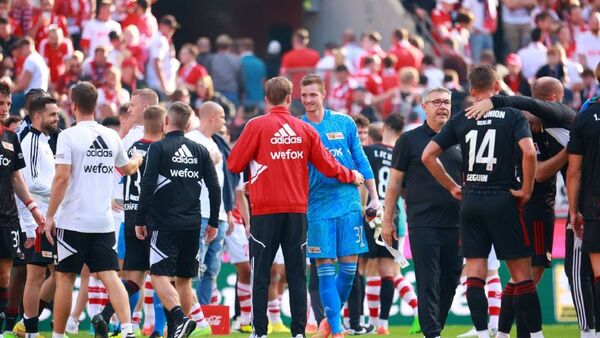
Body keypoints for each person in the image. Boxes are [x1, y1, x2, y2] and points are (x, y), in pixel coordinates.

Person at [227, 77, 363, 338]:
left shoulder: (256, 125)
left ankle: (260, 333)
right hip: (297, 213)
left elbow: (233, 164)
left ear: (267, 99)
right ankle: (298, 333)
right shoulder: (305, 129)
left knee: (261, 275)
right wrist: (350, 175)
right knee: (297, 275)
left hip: (265, 212)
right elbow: (328, 165)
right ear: (291, 99)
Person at [421, 65, 543, 338]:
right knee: (521, 274)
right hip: (502, 196)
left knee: (475, 272)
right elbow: (529, 154)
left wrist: (453, 187)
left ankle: (481, 332)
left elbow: (428, 155)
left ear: (472, 90)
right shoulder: (513, 115)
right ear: (497, 88)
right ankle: (536, 336)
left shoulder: (462, 118)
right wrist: (526, 189)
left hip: (471, 198)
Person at [465, 77, 578, 336]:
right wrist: (571, 150)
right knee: (529, 276)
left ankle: (506, 332)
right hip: (535, 207)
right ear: (553, 100)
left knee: (521, 277)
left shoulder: (528, 124)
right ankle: (517, 333)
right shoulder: (537, 123)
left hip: (522, 205)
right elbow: (539, 174)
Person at [43, 81, 143, 338]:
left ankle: (58, 334)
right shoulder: (110, 136)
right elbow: (127, 168)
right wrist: (138, 160)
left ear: (73, 105)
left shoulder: (68, 136)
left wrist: (50, 215)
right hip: (102, 221)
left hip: (72, 221)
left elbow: (61, 178)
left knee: (65, 278)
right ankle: (128, 330)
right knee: (110, 275)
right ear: (95, 105)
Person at [298, 74, 379, 338]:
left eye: (313, 94)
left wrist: (374, 196)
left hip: (348, 203)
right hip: (316, 206)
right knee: (324, 270)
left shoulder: (344, 123)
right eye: (304, 95)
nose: (308, 99)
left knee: (348, 272)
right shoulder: (298, 127)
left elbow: (361, 159)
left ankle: (328, 322)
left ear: (323, 94)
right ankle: (335, 329)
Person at [135, 102, 221, 338]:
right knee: (184, 281)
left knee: (158, 275)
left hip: (164, 224)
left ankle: (179, 319)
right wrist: (213, 220)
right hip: (193, 225)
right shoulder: (200, 150)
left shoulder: (159, 148)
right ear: (187, 124)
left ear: (166, 122)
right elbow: (215, 188)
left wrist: (139, 218)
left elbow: (148, 185)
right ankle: (178, 332)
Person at [381, 87, 461, 338]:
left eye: (446, 102)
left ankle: (436, 327)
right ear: (424, 107)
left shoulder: (462, 138)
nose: (442, 106)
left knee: (451, 281)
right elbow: (394, 185)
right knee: (428, 280)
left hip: (458, 223)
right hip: (423, 223)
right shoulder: (409, 140)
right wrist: (387, 221)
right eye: (436, 102)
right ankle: (432, 333)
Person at [95, 105, 166, 338]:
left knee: (134, 279)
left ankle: (104, 316)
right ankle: (158, 331)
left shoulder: (132, 147)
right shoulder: (163, 149)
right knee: (164, 277)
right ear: (164, 123)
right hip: (155, 218)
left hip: (130, 218)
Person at [362, 113, 421, 335]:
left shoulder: (368, 151)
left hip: (370, 214)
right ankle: (382, 325)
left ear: (385, 126)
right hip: (393, 217)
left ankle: (360, 320)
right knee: (388, 271)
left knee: (366, 269)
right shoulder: (400, 155)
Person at [0, 81, 45, 337]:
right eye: (0, 104)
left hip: (7, 217)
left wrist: (33, 208)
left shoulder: (10, 137)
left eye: (7, 103)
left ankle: (5, 327)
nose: (5, 108)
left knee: (5, 276)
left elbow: (17, 177)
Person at [16, 95, 60, 338]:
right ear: (36, 117)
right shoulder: (30, 141)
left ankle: (25, 325)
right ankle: (30, 331)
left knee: (60, 273)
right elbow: (30, 183)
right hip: (36, 220)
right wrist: (61, 190)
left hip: (49, 217)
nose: (56, 118)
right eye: (52, 114)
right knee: (36, 275)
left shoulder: (44, 140)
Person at [185, 102, 231, 305]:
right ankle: (191, 315)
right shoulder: (190, 140)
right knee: (194, 268)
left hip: (217, 214)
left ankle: (204, 312)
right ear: (212, 117)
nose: (224, 121)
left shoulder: (216, 142)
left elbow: (223, 182)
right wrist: (205, 162)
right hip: (199, 213)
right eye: (222, 117)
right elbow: (183, 174)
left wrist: (226, 211)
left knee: (212, 270)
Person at [567, 65, 600, 338]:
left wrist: (574, 211)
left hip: (594, 206)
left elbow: (574, 171)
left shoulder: (585, 117)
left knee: (598, 275)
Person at [280, 29, 320, 115]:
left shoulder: (288, 57)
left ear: (294, 41)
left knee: (296, 122)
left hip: (295, 94)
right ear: (306, 40)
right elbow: (319, 75)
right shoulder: (315, 55)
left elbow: (283, 77)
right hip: (312, 94)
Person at [10, 37, 49, 115]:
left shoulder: (30, 59)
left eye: (22, 47)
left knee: (7, 101)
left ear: (27, 46)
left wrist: (10, 92)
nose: (21, 50)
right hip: (40, 93)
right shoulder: (38, 57)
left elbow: (24, 84)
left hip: (32, 95)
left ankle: (12, 126)